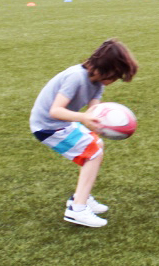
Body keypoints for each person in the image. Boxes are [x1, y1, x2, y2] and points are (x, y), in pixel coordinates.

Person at [30, 39, 138, 227]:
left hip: (63, 122)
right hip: (48, 126)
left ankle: (81, 197)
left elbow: (93, 112)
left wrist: (101, 123)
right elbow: (55, 111)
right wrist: (83, 118)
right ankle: (77, 210)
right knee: (93, 153)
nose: (114, 81)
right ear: (107, 69)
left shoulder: (98, 83)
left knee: (96, 145)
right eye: (116, 76)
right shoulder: (76, 77)